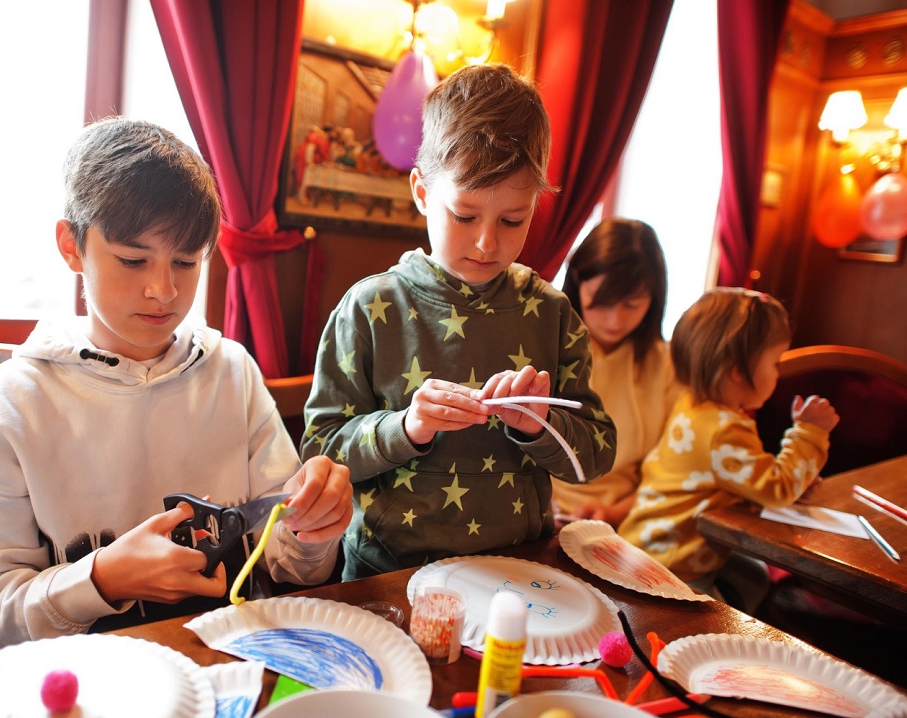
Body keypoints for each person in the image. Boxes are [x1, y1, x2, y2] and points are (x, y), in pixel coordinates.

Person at [0, 117, 353, 652]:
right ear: (71, 246)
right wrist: (101, 580)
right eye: (133, 260)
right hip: (87, 679)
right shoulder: (16, 398)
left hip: (228, 661)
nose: (163, 290)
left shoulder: (232, 371)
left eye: (185, 262)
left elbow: (292, 564)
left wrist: (312, 528)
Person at [299, 63, 617, 580]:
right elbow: (319, 452)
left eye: (513, 219)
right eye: (464, 216)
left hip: (517, 575)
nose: (487, 243)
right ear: (422, 192)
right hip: (387, 574)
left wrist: (542, 425)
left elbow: (593, 460)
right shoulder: (369, 308)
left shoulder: (552, 313)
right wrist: (406, 427)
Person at [617, 288, 839, 608]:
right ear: (737, 370)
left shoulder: (694, 406)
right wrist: (810, 433)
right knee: (717, 617)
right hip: (671, 567)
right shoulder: (725, 430)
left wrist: (796, 479)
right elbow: (776, 489)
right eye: (775, 362)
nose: (778, 373)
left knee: (754, 576)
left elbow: (741, 478)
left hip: (649, 545)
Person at [553, 219, 680, 527]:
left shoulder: (667, 364)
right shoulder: (543, 344)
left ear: (654, 297)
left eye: (632, 304)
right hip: (535, 507)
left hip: (627, 520)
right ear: (577, 282)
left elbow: (672, 470)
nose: (615, 320)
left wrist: (614, 513)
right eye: (601, 301)